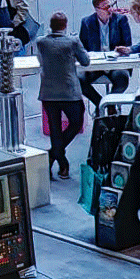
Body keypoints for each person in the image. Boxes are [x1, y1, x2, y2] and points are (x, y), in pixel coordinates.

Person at [34, 12, 89, 180]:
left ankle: (57, 159)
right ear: (65, 25)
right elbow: (85, 61)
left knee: (55, 130)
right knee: (76, 122)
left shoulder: (41, 42)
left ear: (51, 26)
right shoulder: (73, 42)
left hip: (48, 93)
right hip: (69, 92)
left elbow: (41, 61)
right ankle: (56, 158)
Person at [78, 0, 132, 108]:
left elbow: (127, 44)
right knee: (78, 79)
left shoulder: (121, 20)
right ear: (97, 9)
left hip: (115, 63)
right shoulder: (87, 22)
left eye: (111, 6)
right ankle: (100, 104)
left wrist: (121, 51)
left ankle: (110, 104)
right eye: (106, 7)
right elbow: (82, 47)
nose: (110, 9)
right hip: (95, 64)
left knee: (122, 78)